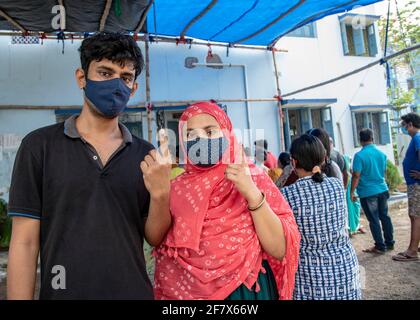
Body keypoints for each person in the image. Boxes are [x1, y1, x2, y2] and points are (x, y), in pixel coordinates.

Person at [7, 33, 172, 299]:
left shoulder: (145, 155)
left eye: (125, 77)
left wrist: (161, 194)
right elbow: (25, 243)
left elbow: (153, 236)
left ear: (133, 88)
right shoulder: (39, 146)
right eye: (105, 73)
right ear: (81, 78)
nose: (116, 84)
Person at [153, 101, 301, 300]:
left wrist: (250, 192)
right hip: (183, 294)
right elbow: (156, 239)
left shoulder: (250, 176)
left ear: (227, 134)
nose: (201, 139)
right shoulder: (176, 188)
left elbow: (280, 249)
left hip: (243, 291)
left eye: (210, 131)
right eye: (191, 135)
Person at [282, 134, 361, 300]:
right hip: (345, 266)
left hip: (311, 273)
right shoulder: (337, 185)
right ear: (324, 158)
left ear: (294, 162)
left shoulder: (287, 195)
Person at [350, 128, 394, 254]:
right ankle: (389, 243)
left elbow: (356, 175)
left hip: (368, 192)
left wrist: (352, 192)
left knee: (374, 219)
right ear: (372, 138)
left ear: (360, 140)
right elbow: (383, 172)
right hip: (382, 188)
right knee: (385, 216)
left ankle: (380, 246)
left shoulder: (359, 156)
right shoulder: (382, 154)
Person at [392, 113, 420, 262]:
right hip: (414, 184)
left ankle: (412, 251)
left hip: (417, 185)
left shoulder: (417, 137)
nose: (404, 128)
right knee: (415, 215)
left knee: (416, 216)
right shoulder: (416, 138)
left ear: (410, 124)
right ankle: (414, 247)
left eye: (404, 125)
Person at [343, 155, 365, 237]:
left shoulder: (350, 159)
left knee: (356, 207)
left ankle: (356, 226)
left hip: (352, 187)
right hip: (347, 187)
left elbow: (355, 173)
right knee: (349, 208)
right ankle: (351, 229)